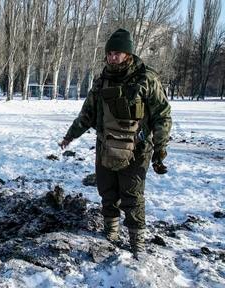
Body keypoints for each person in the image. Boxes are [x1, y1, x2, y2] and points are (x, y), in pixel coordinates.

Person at [59, 28, 172, 258]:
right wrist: (70, 136)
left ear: (128, 54)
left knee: (132, 196)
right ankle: (110, 233)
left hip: (137, 149)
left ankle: (136, 242)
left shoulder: (146, 79)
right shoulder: (102, 81)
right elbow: (87, 114)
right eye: (110, 53)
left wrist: (160, 146)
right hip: (106, 146)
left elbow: (162, 115)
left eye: (117, 53)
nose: (112, 57)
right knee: (107, 192)